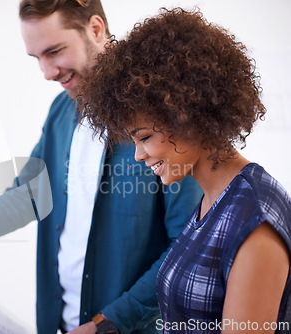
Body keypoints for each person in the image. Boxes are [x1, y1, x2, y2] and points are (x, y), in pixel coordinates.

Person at [0, 2, 202, 333]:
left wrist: (109, 324)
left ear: (95, 29)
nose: (47, 72)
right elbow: (25, 200)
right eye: (37, 59)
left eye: (55, 52)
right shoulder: (61, 112)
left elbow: (189, 247)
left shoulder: (161, 116)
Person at [78, 7, 291, 333]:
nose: (138, 155)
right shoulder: (211, 199)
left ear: (186, 116)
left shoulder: (255, 217)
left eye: (145, 137)